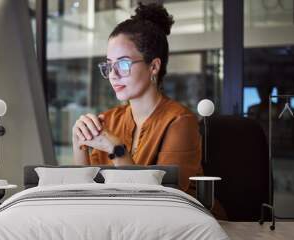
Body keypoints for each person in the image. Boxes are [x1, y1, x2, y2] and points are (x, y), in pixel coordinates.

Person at [72, 2, 225, 218]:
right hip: (121, 224)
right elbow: (86, 193)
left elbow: (159, 201)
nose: (113, 75)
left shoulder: (180, 121)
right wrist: (79, 142)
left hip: (181, 226)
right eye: (108, 65)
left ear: (153, 66)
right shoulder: (107, 119)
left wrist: (117, 150)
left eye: (123, 64)